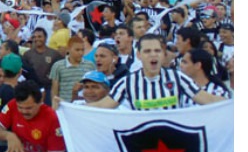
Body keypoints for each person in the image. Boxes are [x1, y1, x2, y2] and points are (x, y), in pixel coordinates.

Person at [89, 34, 229, 110]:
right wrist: (69, 108)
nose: (153, 55)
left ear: (163, 54)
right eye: (147, 51)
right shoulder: (127, 82)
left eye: (157, 51)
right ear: (139, 55)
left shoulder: (178, 78)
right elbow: (103, 106)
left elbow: (208, 100)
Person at [0, 80, 66, 152]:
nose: (24, 111)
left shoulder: (53, 118)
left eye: (29, 108)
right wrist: (9, 136)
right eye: (20, 107)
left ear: (40, 101)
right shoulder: (12, 105)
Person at [49, 36, 96, 104]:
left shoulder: (90, 65)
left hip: (85, 105)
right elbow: (54, 90)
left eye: (82, 50)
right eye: (77, 50)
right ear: (68, 49)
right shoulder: (58, 66)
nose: (81, 53)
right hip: (65, 106)